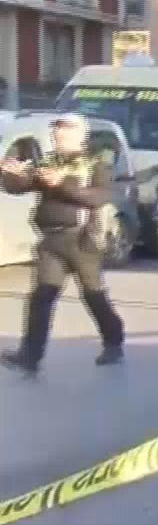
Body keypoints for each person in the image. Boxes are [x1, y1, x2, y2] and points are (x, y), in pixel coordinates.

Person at [1, 114, 126, 375]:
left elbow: (98, 197)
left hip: (82, 239)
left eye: (64, 132)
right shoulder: (49, 162)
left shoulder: (95, 164)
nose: (58, 136)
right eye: (56, 133)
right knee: (41, 297)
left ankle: (113, 341)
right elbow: (22, 186)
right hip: (51, 240)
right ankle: (30, 354)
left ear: (80, 136)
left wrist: (61, 184)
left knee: (93, 295)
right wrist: (11, 175)